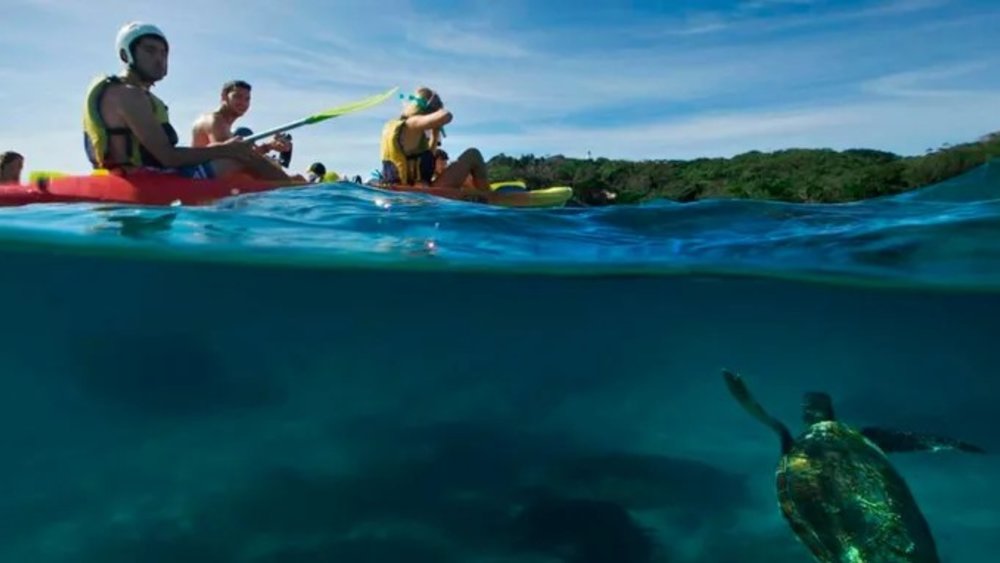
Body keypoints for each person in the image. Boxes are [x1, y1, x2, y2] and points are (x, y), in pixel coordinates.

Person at [82, 22, 295, 182]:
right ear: (125, 55)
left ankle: (287, 187)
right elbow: (168, 157)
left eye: (164, 52)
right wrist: (228, 149)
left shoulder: (133, 94)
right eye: (150, 50)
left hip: (147, 174)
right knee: (241, 157)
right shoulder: (129, 95)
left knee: (240, 155)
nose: (160, 58)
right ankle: (293, 194)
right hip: (142, 179)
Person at [379, 86, 490, 191]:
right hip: (409, 191)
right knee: (473, 154)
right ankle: (487, 195)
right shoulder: (411, 123)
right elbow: (446, 116)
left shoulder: (413, 134)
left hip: (413, 189)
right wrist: (438, 113)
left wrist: (435, 132)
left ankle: (483, 194)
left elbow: (428, 158)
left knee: (472, 155)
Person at [191, 80, 292, 159]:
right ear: (224, 96)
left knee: (244, 134)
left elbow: (232, 158)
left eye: (247, 99)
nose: (243, 103)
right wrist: (267, 148)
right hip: (200, 176)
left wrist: (269, 146)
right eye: (237, 97)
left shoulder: (222, 123)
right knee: (244, 135)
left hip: (213, 171)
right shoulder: (215, 120)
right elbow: (229, 157)